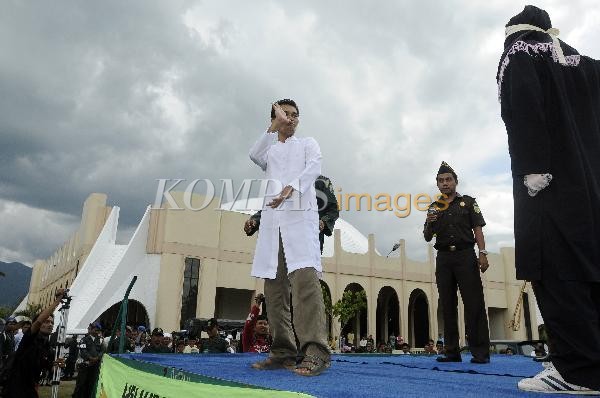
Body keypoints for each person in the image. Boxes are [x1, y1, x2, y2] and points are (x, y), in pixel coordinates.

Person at [497, 5, 600, 394]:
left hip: (549, 183)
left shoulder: (519, 52)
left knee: (554, 267)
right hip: (589, 187)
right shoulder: (585, 64)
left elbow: (521, 104)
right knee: (591, 270)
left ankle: (578, 371)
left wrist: (532, 167)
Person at [248, 99, 330, 376]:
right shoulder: (270, 150)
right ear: (276, 118)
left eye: (296, 115)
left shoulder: (308, 144)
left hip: (299, 224)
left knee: (306, 286)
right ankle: (284, 351)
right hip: (274, 228)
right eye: (286, 115)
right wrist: (274, 125)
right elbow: (253, 154)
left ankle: (316, 352)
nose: (292, 119)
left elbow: (314, 168)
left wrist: (290, 188)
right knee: (274, 291)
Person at [424, 162, 490, 364]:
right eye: (441, 180)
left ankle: (480, 353)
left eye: (448, 179)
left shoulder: (468, 202)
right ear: (437, 184)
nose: (445, 183)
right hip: (444, 258)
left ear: (455, 182)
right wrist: (431, 221)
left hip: (465, 255)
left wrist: (483, 253)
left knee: (474, 303)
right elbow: (427, 236)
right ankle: (452, 351)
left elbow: (477, 228)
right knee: (447, 304)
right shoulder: (434, 207)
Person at [245, 175, 339, 254]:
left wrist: (323, 222)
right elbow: (272, 206)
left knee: (306, 275)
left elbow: (333, 209)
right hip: (282, 244)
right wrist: (255, 221)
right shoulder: (284, 180)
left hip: (309, 246)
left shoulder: (321, 181)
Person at [2, 289, 66, 398]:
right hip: (15, 389)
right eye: (46, 321)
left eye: (52, 322)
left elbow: (49, 368)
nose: (50, 325)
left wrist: (58, 365)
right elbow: (38, 321)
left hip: (30, 389)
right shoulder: (29, 338)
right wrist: (57, 302)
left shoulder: (46, 346)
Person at [73, 322, 103, 398]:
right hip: (85, 365)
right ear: (91, 330)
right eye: (95, 330)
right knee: (81, 384)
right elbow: (83, 350)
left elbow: (102, 351)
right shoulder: (84, 339)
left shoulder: (101, 340)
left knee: (92, 384)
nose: (97, 332)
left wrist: (97, 358)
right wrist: (90, 358)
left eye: (98, 330)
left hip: (95, 366)